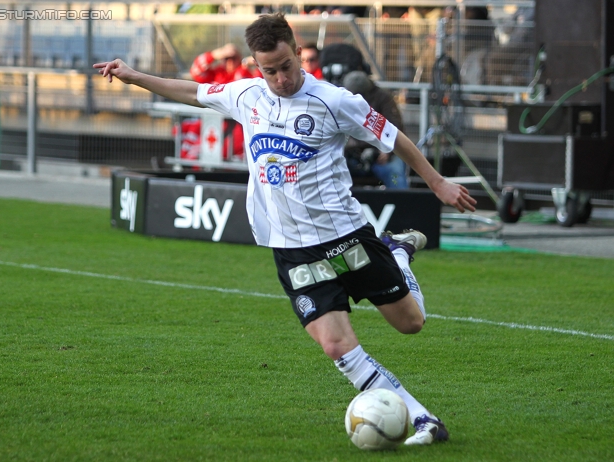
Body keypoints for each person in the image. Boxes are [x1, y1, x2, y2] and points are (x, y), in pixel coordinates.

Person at [94, 12, 476, 446]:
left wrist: (437, 181)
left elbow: (393, 138)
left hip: (345, 237)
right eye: (268, 70)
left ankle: (399, 254)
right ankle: (423, 418)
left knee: (411, 324)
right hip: (292, 250)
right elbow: (192, 90)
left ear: (298, 52)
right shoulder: (248, 95)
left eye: (285, 66)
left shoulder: (335, 101)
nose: (278, 78)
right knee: (337, 347)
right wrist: (133, 76)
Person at [343, 70, 408, 189]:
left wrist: (388, 150)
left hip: (380, 151)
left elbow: (395, 126)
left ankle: (402, 205)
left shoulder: (383, 97)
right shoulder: (342, 99)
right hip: (352, 153)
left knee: (395, 175)